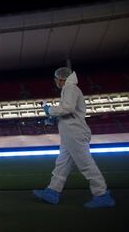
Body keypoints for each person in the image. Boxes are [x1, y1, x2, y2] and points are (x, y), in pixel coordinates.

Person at [33, 67, 115, 208]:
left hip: (74, 133)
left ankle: (102, 195)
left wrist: (49, 110)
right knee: (62, 165)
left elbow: (68, 108)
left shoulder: (70, 88)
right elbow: (68, 112)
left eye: (55, 79)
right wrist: (54, 119)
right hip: (70, 133)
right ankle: (52, 192)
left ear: (60, 79)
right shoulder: (70, 89)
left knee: (86, 165)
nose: (55, 82)